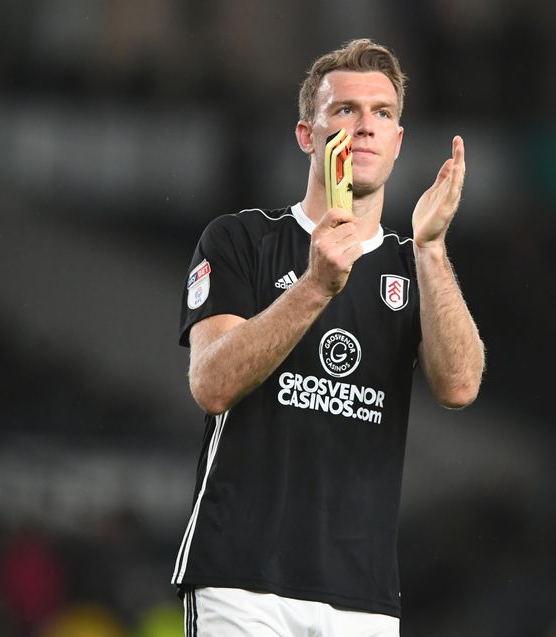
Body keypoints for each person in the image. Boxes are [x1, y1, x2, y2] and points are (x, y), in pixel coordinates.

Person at [171, 38, 485, 636]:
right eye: (344, 110)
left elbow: (461, 385)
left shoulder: (411, 266)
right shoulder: (241, 241)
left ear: (397, 143)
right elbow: (211, 384)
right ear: (306, 136)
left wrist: (432, 248)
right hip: (239, 581)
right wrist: (316, 286)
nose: (365, 127)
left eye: (382, 114)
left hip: (361, 596)